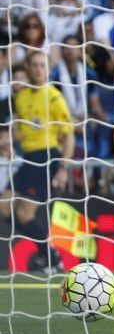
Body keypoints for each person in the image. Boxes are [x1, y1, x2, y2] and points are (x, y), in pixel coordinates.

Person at [0, 51, 74, 273]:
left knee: (23, 213)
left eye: (42, 65)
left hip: (46, 157)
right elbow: (21, 132)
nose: (38, 69)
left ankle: (51, 257)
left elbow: (68, 135)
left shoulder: (53, 97)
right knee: (4, 207)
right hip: (27, 158)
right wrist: (11, 140)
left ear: (48, 69)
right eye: (34, 65)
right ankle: (48, 255)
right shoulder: (21, 97)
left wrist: (63, 168)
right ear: (29, 68)